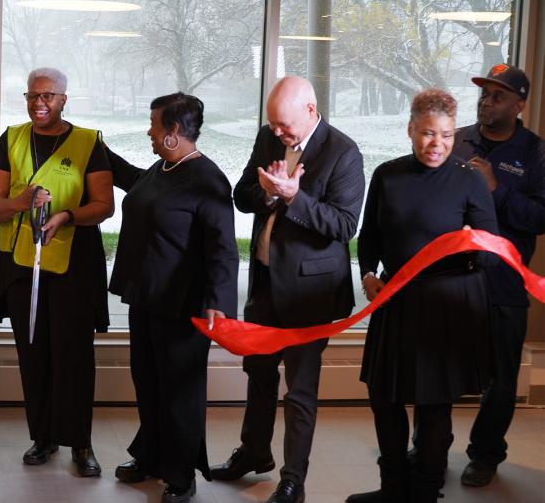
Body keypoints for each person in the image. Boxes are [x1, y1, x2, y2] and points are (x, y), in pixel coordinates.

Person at [212, 76, 364, 503]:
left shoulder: (344, 152)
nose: (277, 133)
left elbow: (344, 226)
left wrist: (296, 197)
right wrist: (266, 193)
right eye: (272, 125)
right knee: (258, 375)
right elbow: (242, 195)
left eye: (284, 125)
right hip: (265, 283)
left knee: (299, 391)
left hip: (309, 294)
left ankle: (293, 479)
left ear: (311, 111)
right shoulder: (267, 137)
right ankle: (253, 452)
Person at [346, 88, 498, 503]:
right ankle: (392, 488)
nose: (438, 144)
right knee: (384, 398)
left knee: (433, 406)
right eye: (429, 134)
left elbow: (494, 251)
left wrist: (474, 246)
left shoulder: (469, 179)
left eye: (447, 135)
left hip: (447, 307)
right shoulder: (388, 175)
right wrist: (368, 273)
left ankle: (425, 492)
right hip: (396, 300)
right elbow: (371, 237)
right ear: (411, 130)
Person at [106, 92, 239, 503]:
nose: (149, 130)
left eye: (153, 124)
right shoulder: (163, 167)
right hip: (147, 298)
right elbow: (135, 182)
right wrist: (97, 150)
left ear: (173, 131)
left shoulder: (208, 180)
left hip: (183, 306)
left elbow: (223, 247)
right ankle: (151, 456)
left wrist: (218, 300)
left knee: (179, 392)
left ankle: (181, 476)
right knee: (147, 383)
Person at [0, 67, 114, 477]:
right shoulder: (12, 139)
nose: (39, 103)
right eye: (33, 95)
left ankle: (81, 443)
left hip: (74, 266)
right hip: (22, 266)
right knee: (34, 353)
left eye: (49, 96)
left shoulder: (88, 142)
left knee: (74, 357)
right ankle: (43, 437)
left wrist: (67, 215)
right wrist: (21, 202)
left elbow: (104, 205)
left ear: (63, 100)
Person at [455, 65, 545, 488]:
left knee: (501, 377)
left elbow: (540, 217)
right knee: (439, 365)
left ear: (520, 104)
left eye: (498, 96)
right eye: (485, 94)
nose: (487, 102)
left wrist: (496, 188)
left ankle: (486, 454)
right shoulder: (456, 142)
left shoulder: (535, 153)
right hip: (454, 279)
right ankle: (429, 446)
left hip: (505, 282)